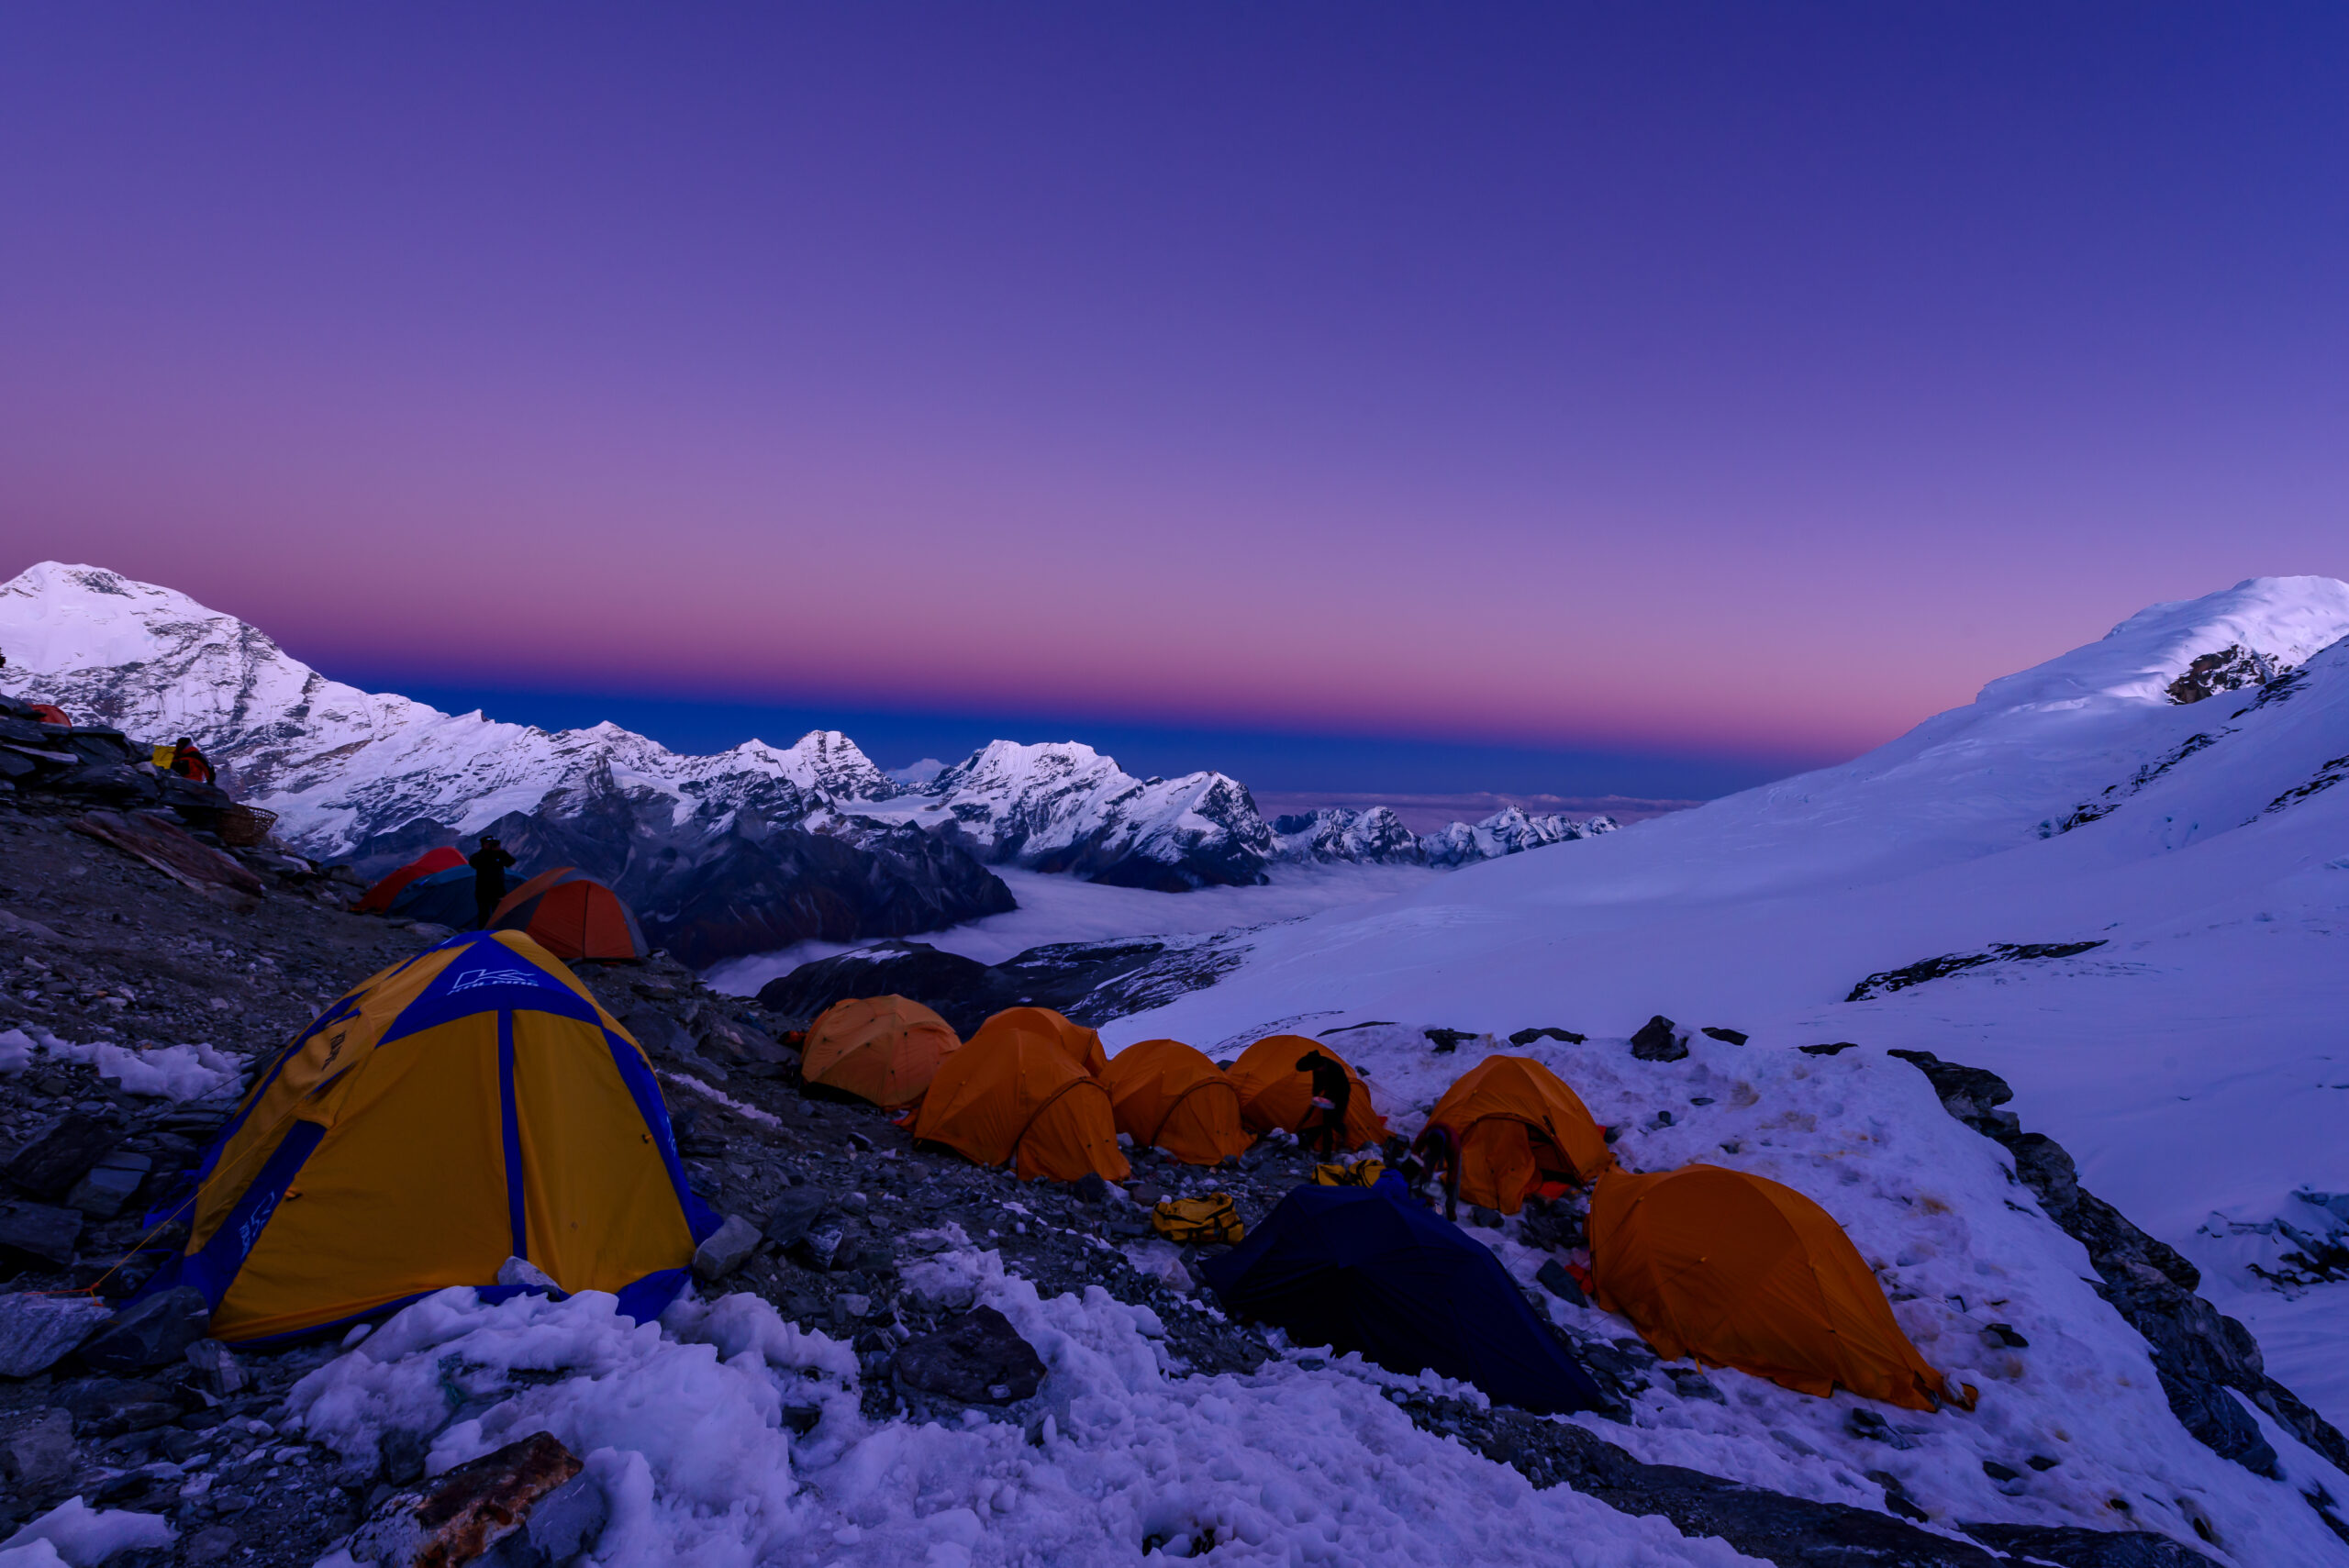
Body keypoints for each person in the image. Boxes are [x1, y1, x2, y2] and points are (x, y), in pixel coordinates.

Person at [1293, 1048, 1353, 1157]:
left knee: (1335, 1121)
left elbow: (1341, 1089)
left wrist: (1329, 1102)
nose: (1317, 1070)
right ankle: (1327, 1150)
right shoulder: (1317, 1066)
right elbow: (1317, 1084)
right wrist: (1316, 1096)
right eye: (1315, 1069)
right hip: (1329, 1095)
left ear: (1323, 1065)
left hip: (1341, 1095)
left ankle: (1343, 1137)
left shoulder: (1335, 1069)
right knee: (1327, 1123)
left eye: (1318, 1068)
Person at [468, 836, 517, 929]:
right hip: (483, 891)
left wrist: (501, 852)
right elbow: (473, 863)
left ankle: (498, 933)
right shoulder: (479, 856)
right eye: (489, 844)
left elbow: (511, 862)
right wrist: (487, 852)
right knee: (483, 915)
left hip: (498, 891)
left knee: (498, 915)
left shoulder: (499, 854)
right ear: (483, 845)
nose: (493, 846)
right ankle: (483, 934)